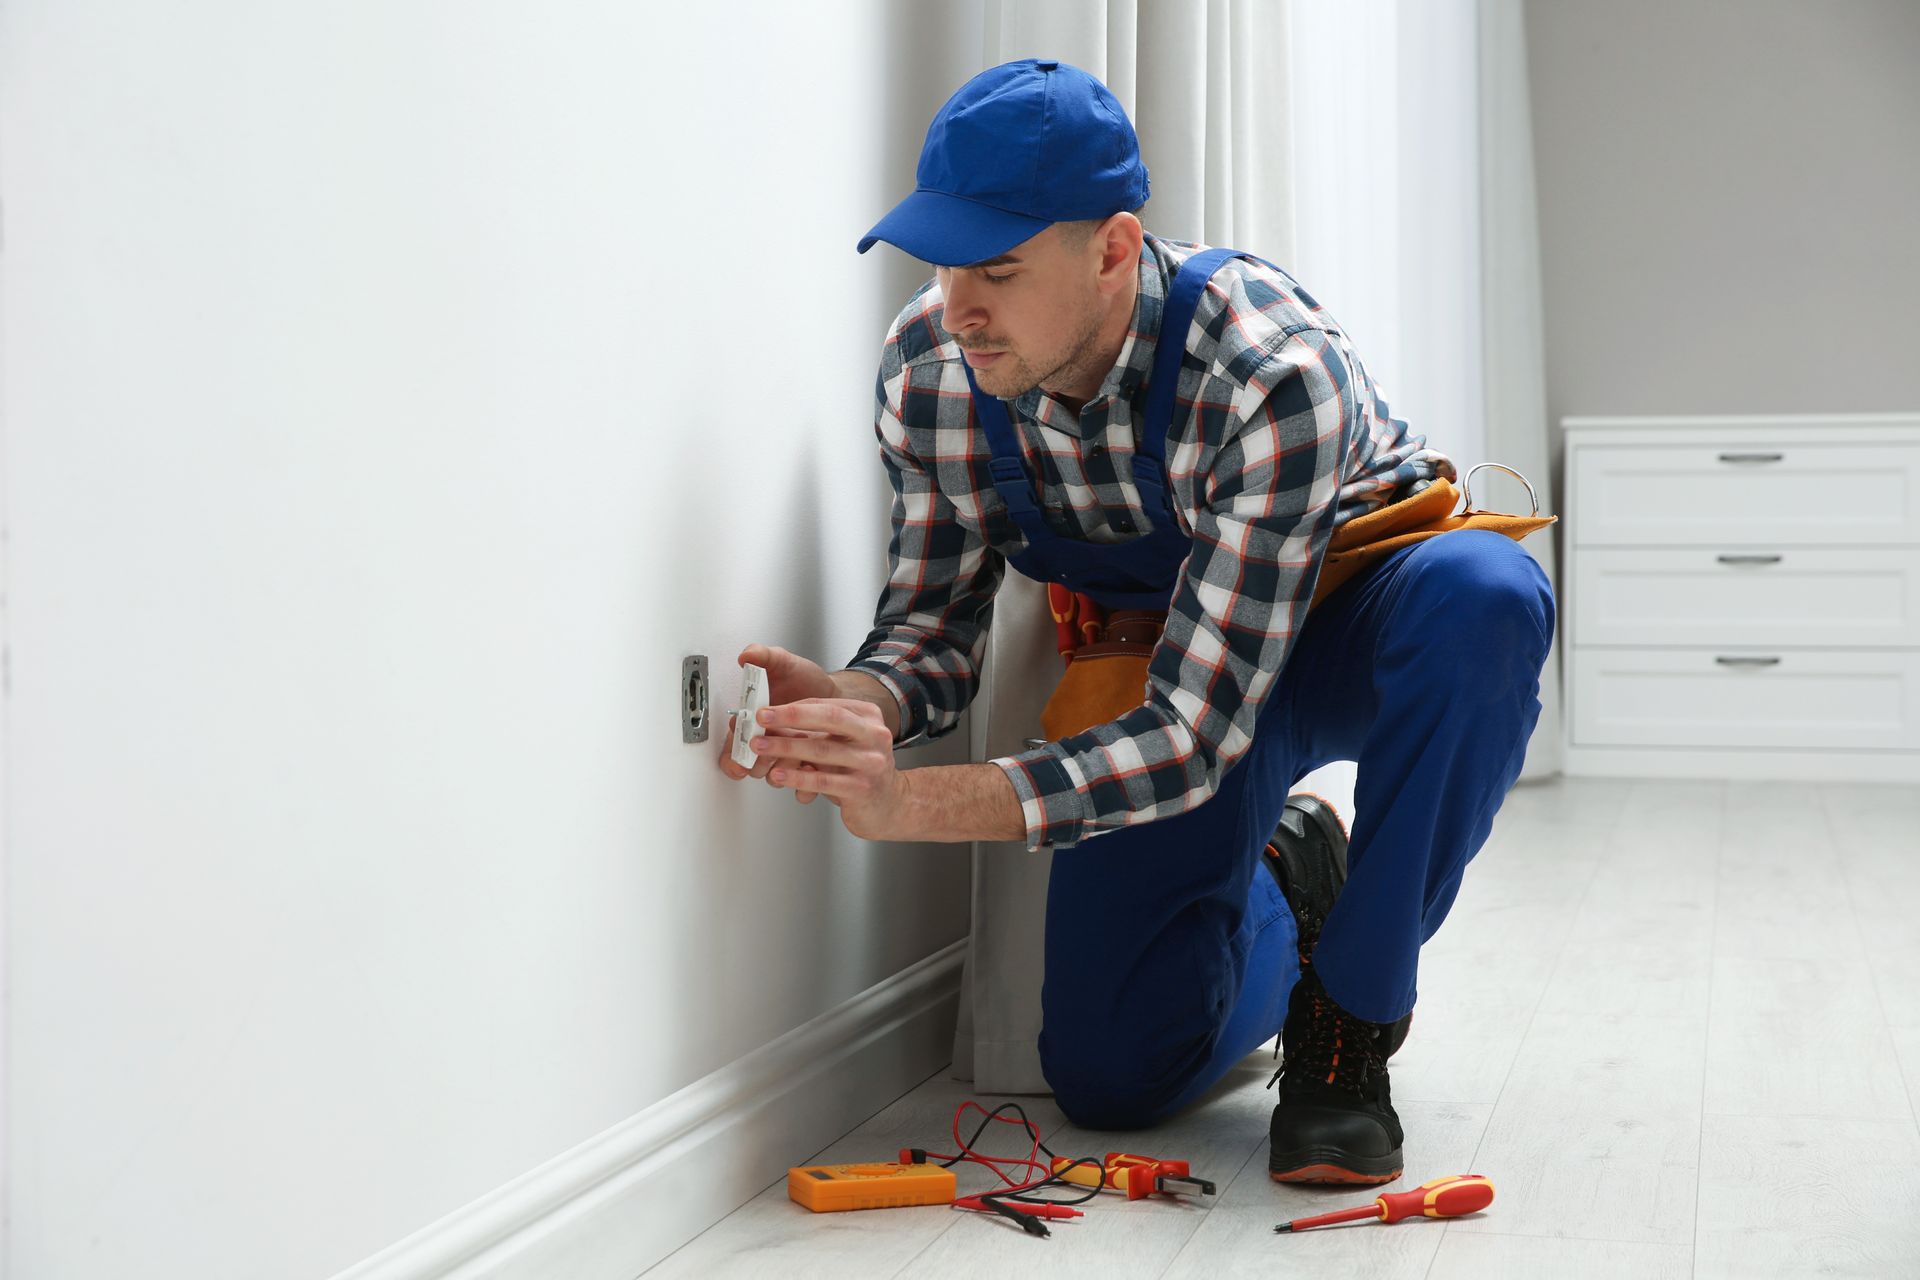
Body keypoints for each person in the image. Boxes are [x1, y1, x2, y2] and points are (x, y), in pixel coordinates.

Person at [719, 58, 1553, 1186]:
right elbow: (934, 628)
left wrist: (908, 803)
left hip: (1347, 628)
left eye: (999, 270)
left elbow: (1196, 736)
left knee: (1486, 602)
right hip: (1171, 664)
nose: (959, 307)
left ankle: (1349, 1016)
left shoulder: (1266, 371)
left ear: (1112, 248)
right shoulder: (933, 370)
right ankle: (1294, 874)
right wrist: (860, 701)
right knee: (1115, 1074)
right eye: (946, 263)